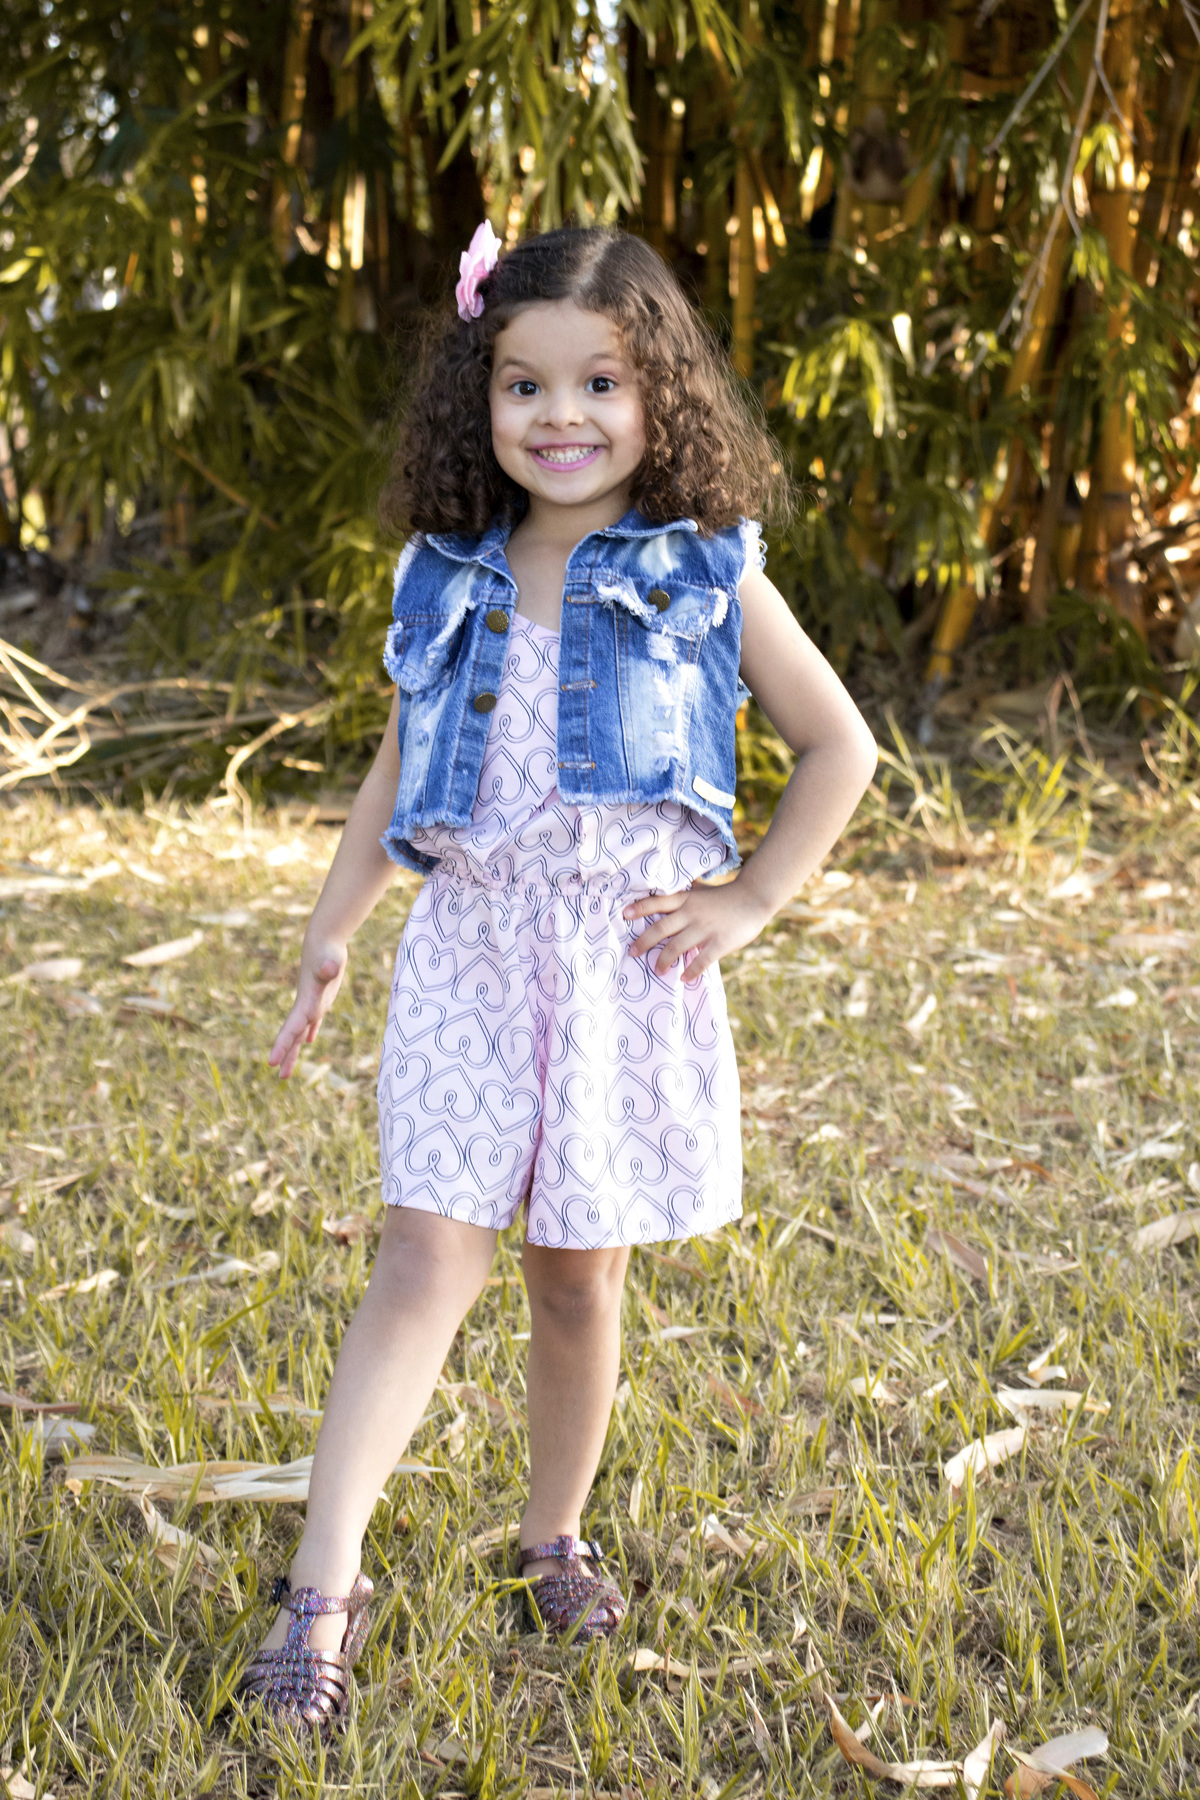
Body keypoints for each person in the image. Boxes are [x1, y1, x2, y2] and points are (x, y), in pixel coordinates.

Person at [236, 223, 877, 1726]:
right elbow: (401, 765)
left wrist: (749, 899)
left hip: (621, 969)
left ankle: (551, 1535)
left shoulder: (707, 565)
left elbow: (839, 747)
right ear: (482, 398)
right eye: (524, 384)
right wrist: (334, 924)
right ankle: (323, 1586)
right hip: (470, 949)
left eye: (601, 381)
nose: (562, 415)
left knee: (577, 1276)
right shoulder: (444, 570)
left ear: (662, 395)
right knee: (423, 1258)